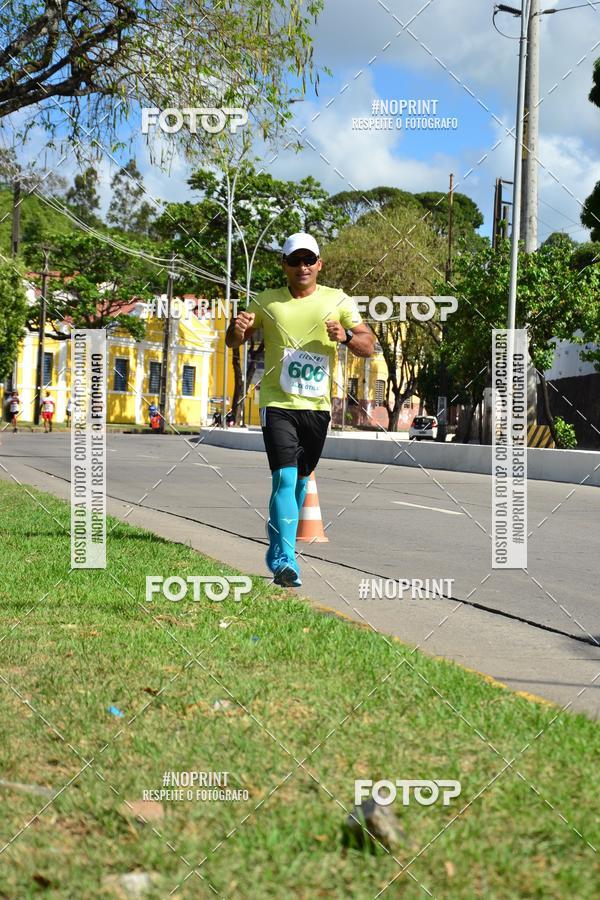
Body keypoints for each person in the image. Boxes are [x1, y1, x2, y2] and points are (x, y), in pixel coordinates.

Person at [226, 232, 374, 587]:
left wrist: (347, 337)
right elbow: (234, 340)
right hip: (277, 403)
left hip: (317, 408)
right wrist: (236, 328)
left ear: (319, 264)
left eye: (309, 260)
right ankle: (285, 561)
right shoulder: (267, 302)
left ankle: (278, 540)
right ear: (285, 266)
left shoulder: (337, 301)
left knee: (301, 483)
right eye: (295, 261)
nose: (302, 267)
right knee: (285, 477)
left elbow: (368, 346)